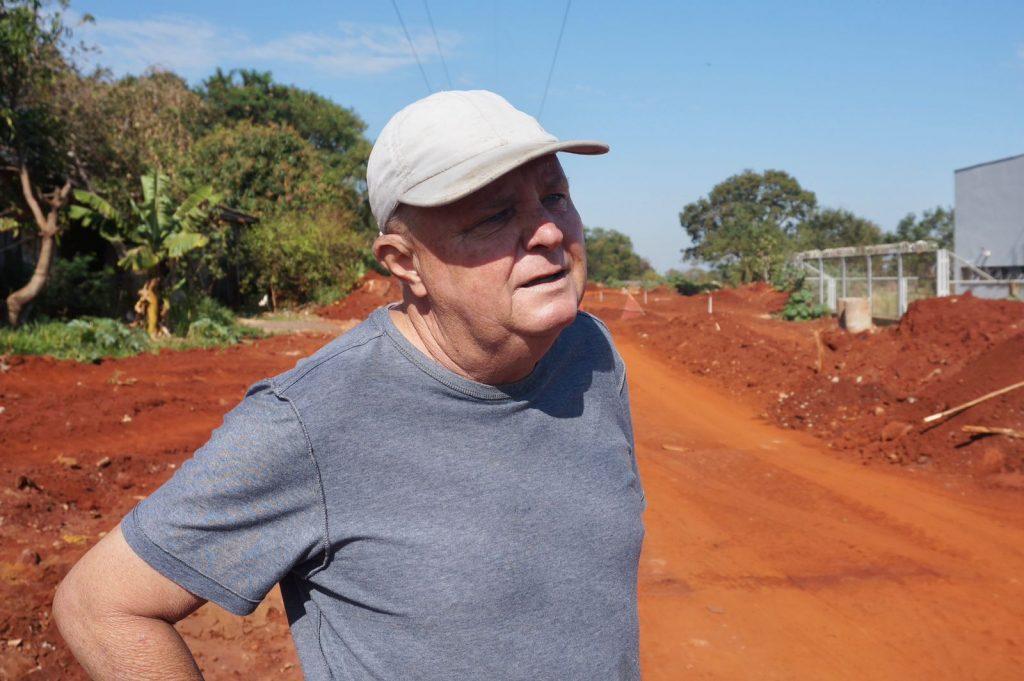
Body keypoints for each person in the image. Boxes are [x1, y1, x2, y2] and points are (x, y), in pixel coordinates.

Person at [54, 90, 646, 680]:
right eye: (493, 215)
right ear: (405, 262)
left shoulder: (591, 355)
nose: (546, 231)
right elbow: (100, 606)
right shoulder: (312, 421)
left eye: (555, 195)